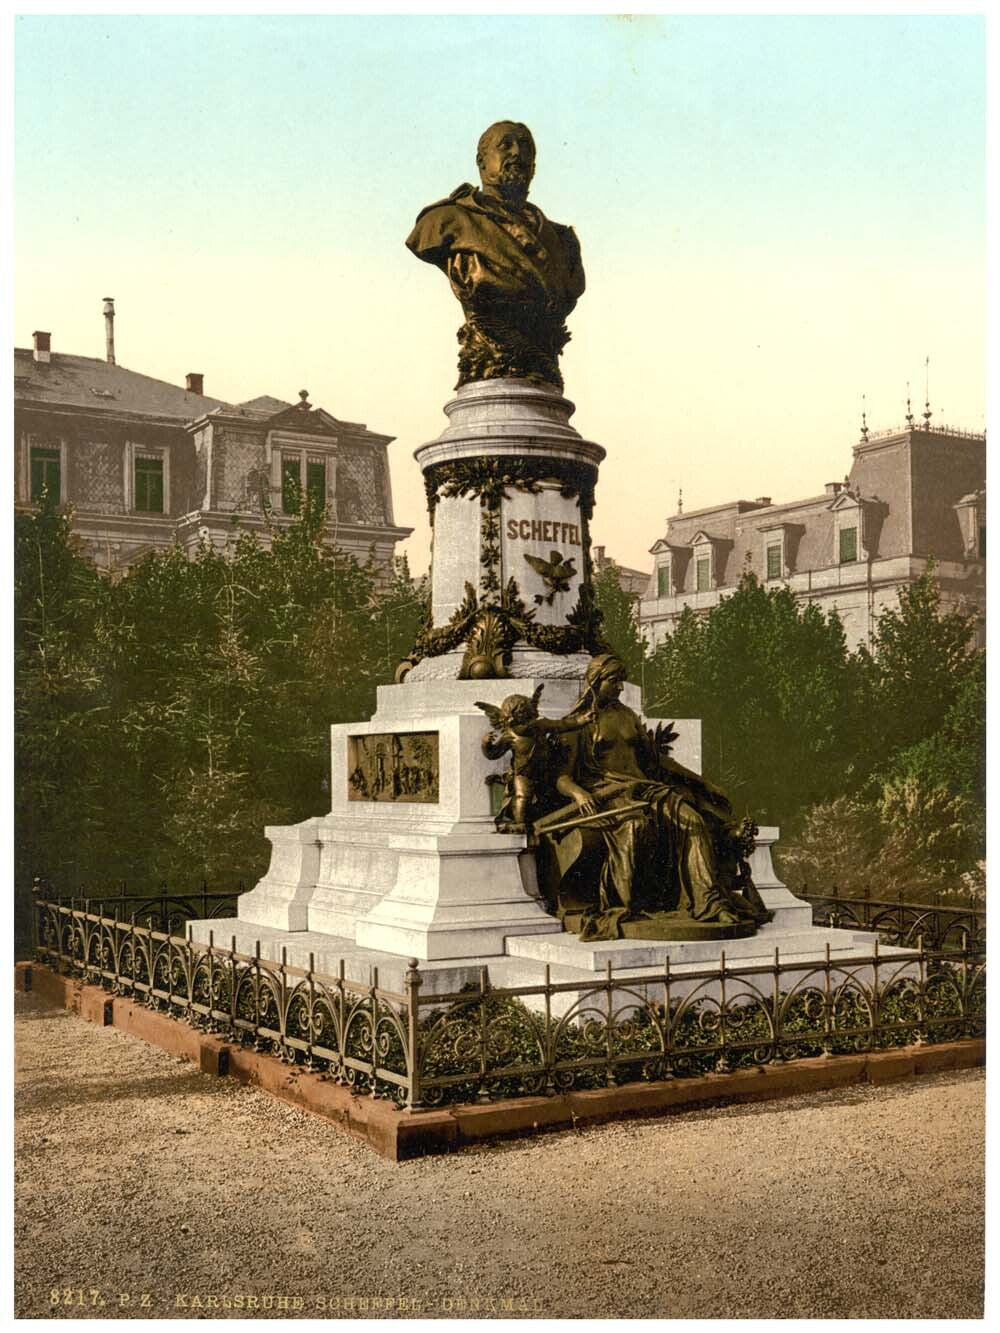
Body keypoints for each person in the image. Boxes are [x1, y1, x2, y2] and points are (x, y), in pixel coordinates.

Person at [536, 653, 771, 941]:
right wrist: (580, 794)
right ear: (595, 681)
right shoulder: (578, 723)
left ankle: (711, 903)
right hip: (609, 795)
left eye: (621, 680)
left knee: (693, 821)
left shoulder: (628, 716)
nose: (620, 687)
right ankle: (629, 904)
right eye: (614, 680)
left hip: (646, 789)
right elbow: (561, 777)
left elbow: (656, 761)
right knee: (636, 827)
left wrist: (702, 782)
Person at [405, 121, 585, 391]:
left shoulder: (563, 240)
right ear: (481, 161)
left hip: (543, 379)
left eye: (525, 147)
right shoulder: (445, 222)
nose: (517, 153)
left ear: (534, 166)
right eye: (506, 145)